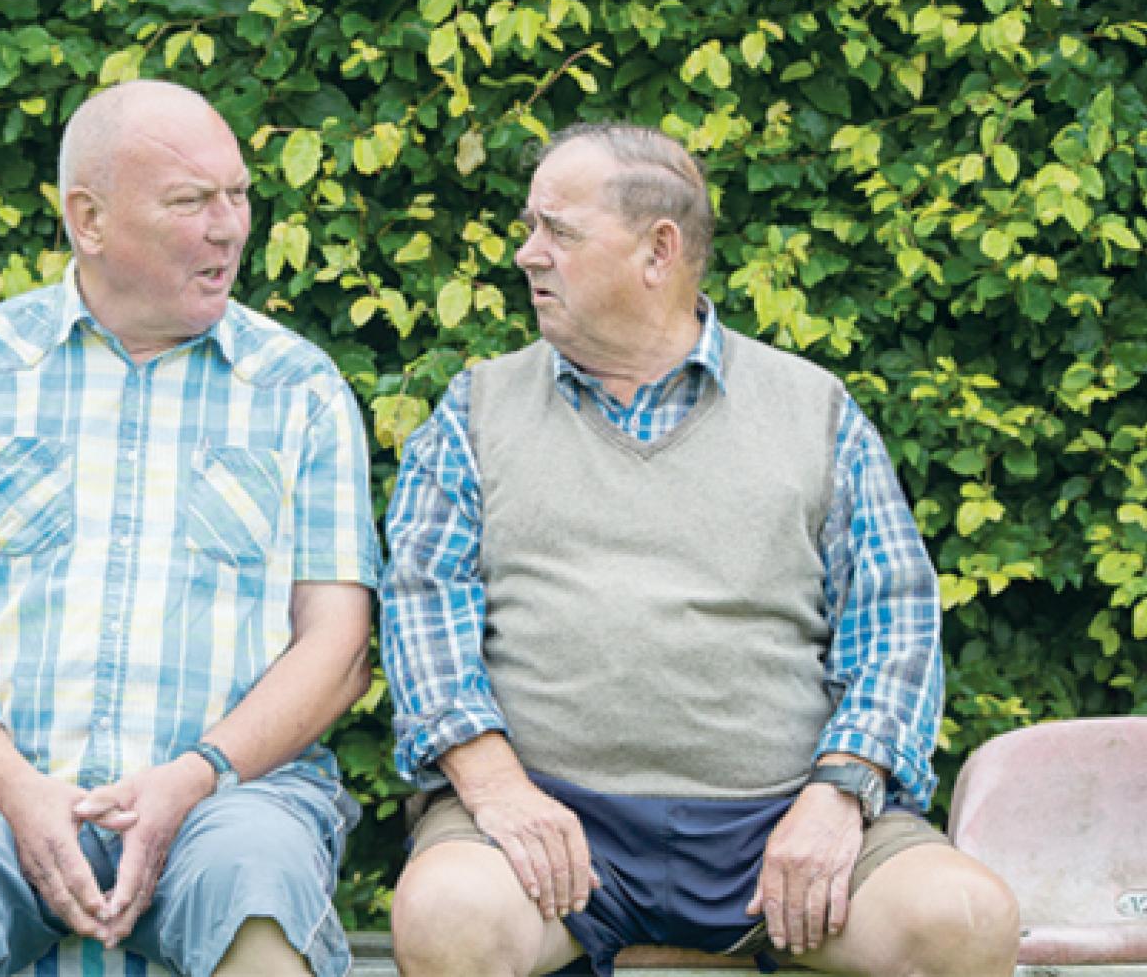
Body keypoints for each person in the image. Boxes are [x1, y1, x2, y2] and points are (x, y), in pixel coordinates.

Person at [380, 123, 1021, 977]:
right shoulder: (476, 410)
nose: (528, 252)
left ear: (659, 250)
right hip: (551, 826)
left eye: (558, 230)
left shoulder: (814, 410)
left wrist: (839, 795)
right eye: (531, 226)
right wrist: (499, 791)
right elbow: (421, 610)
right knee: (446, 915)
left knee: (965, 921)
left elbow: (895, 623)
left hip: (781, 824)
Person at [0, 79, 381, 977]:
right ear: (89, 218)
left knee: (262, 910)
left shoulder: (300, 389)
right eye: (191, 201)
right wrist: (15, 787)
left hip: (229, 794)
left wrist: (194, 775)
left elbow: (339, 647)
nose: (230, 228)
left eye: (238, 195)